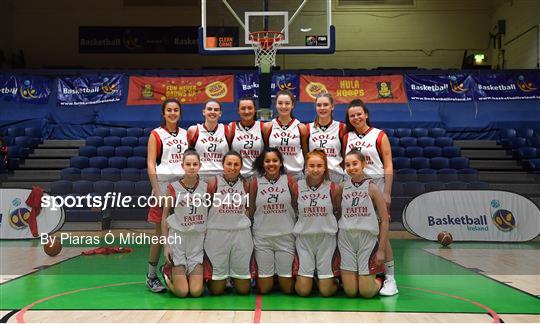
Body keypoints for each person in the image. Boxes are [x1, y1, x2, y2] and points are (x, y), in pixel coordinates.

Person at [342, 99, 398, 296]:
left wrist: (387, 192)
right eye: (352, 115)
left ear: (366, 114)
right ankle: (360, 272)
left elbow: (388, 164)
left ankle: (391, 278)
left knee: (382, 231)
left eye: (359, 114)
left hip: (377, 184)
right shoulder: (347, 136)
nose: (356, 118)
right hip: (355, 185)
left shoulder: (379, 135)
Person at [146, 98, 189, 293]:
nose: (173, 113)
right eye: (169, 110)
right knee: (159, 235)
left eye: (176, 110)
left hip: (182, 189)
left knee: (184, 231)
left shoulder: (187, 134)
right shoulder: (156, 134)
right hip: (163, 186)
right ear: (163, 113)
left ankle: (183, 270)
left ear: (180, 113)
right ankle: (151, 275)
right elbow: (150, 164)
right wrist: (156, 189)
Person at [338, 149, 389, 298]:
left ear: (363, 164)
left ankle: (380, 278)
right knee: (350, 292)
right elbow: (336, 211)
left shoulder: (372, 188)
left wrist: (381, 250)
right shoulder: (342, 187)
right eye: (347, 165)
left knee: (366, 293)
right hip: (346, 238)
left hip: (367, 238)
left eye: (355, 163)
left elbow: (385, 221)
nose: (351, 167)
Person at [249, 147, 297, 294]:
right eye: (267, 161)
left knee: (287, 289)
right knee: (264, 289)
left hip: (286, 236)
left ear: (281, 163)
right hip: (263, 238)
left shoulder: (289, 180)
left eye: (275, 160)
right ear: (262, 164)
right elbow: (251, 209)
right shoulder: (255, 182)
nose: (271, 164)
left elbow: (296, 206)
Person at [204, 151, 252, 295]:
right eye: (229, 164)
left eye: (236, 164)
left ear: (241, 166)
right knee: (217, 291)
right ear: (223, 165)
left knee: (244, 290)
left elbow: (249, 209)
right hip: (217, 234)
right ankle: (222, 277)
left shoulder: (246, 184)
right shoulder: (213, 183)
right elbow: (204, 208)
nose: (232, 167)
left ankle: (232, 276)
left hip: (240, 234)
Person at [161, 150, 207, 297]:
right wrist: (166, 245)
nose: (192, 167)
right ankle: (167, 274)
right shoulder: (173, 187)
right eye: (188, 164)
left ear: (200, 166)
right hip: (178, 238)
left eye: (195, 164)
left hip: (197, 240)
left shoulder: (206, 187)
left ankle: (191, 276)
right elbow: (164, 218)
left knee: (196, 292)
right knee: (182, 292)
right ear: (182, 166)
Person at [293, 149, 339, 297]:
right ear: (306, 167)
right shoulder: (296, 186)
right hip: (304, 239)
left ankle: (336, 281)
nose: (315, 169)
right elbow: (293, 209)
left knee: (326, 292)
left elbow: (338, 211)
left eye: (319, 165)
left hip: (326, 239)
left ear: (325, 167)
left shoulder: (333, 187)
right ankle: (310, 276)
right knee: (303, 291)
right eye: (311, 166)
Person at [263, 90, 308, 180]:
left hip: (296, 176)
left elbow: (306, 153)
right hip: (274, 175)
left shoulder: (301, 127)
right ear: (276, 105)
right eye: (280, 103)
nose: (283, 106)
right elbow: (266, 151)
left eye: (287, 103)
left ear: (292, 105)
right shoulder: (268, 127)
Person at [306, 93, 346, 183]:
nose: (322, 108)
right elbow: (306, 154)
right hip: (314, 175)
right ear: (316, 107)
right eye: (319, 105)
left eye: (326, 105)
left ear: (332, 107)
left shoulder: (342, 127)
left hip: (336, 175)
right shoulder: (308, 128)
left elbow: (345, 154)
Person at [188, 99, 229, 177]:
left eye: (216, 110)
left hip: (222, 176)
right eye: (209, 109)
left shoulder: (227, 130)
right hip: (199, 176)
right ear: (204, 112)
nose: (212, 112)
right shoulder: (193, 130)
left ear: (220, 113)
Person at [228, 97, 264, 179]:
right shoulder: (232, 127)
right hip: (236, 175)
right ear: (238, 111)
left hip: (258, 176)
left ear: (255, 110)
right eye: (243, 108)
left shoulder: (263, 127)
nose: (247, 111)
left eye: (250, 108)